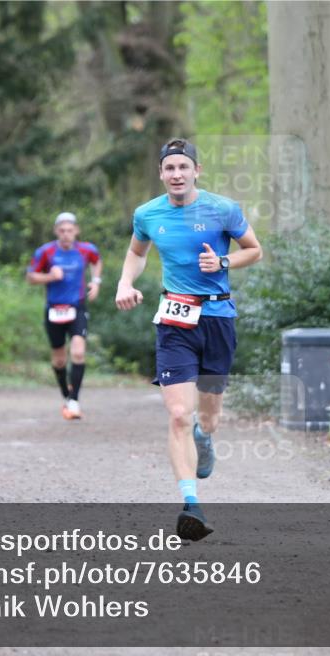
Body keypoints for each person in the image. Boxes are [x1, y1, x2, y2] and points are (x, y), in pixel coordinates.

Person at [115, 138, 263, 540]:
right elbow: (137, 252)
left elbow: (255, 249)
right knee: (179, 413)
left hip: (217, 318)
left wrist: (224, 261)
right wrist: (125, 282)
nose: (176, 174)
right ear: (161, 174)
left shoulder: (222, 209)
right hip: (174, 320)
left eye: (183, 167)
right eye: (169, 168)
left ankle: (206, 435)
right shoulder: (147, 213)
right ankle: (191, 504)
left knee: (207, 416)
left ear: (196, 171)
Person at [27, 212, 102, 419]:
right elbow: (31, 276)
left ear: (76, 231)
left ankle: (74, 401)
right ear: (56, 231)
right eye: (62, 231)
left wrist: (96, 282)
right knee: (59, 360)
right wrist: (49, 276)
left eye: (70, 230)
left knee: (78, 352)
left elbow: (97, 262)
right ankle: (66, 396)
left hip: (77, 306)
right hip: (54, 309)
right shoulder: (46, 252)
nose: (66, 234)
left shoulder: (87, 250)